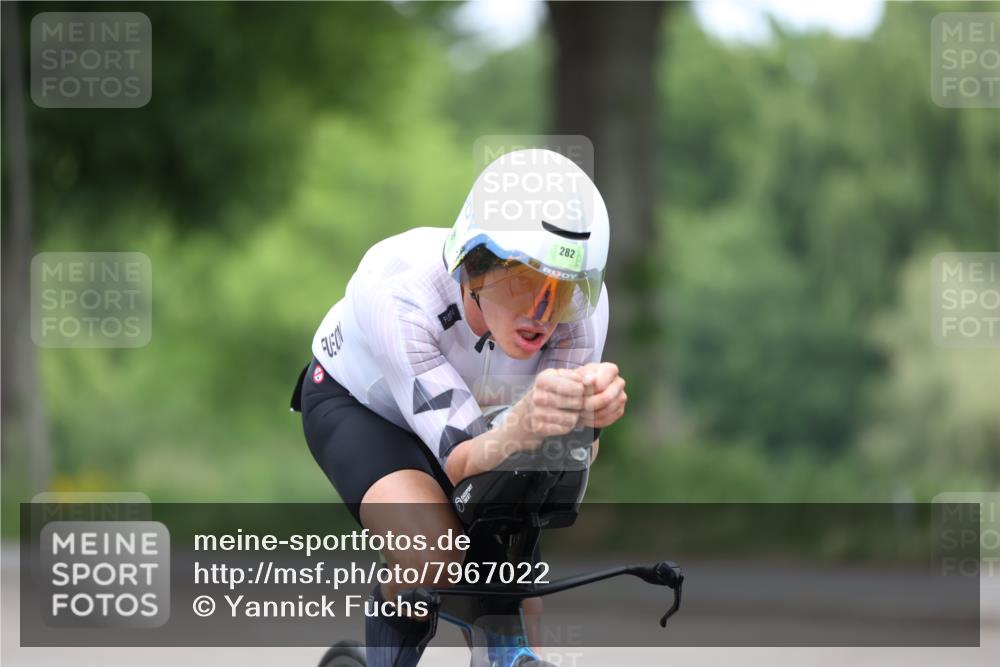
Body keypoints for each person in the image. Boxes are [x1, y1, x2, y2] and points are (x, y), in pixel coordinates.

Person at [293, 148, 627, 666]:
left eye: (560, 291)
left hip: (487, 424)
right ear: (473, 265)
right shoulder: (400, 291)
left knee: (516, 594)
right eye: (522, 282)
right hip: (364, 407)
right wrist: (525, 424)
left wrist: (587, 421)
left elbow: (555, 457)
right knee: (435, 554)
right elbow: (461, 457)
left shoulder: (583, 314)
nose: (542, 313)